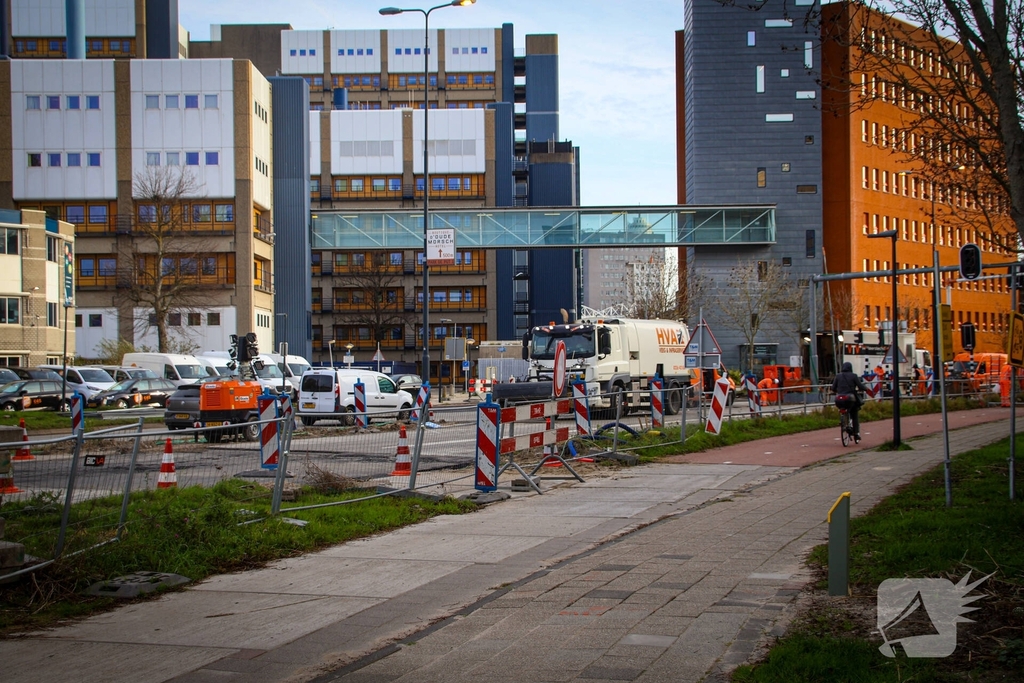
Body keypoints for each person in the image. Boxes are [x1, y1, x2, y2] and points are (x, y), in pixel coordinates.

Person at [833, 361, 869, 442]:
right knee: (854, 414)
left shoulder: (838, 376)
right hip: (850, 398)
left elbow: (833, 388)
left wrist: (838, 391)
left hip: (839, 399)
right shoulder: (854, 376)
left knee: (843, 409)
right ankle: (856, 433)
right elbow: (860, 386)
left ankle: (843, 422)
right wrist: (865, 389)